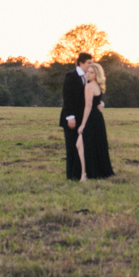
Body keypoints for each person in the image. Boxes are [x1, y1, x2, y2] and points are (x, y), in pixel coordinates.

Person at [76, 59, 113, 181]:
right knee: (89, 145)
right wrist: (102, 103)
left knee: (81, 145)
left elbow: (88, 106)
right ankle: (90, 173)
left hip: (91, 119)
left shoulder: (89, 86)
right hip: (98, 118)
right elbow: (99, 102)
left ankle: (84, 175)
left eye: (91, 72)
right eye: (88, 72)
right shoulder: (98, 85)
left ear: (97, 74)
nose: (88, 74)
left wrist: (82, 125)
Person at [60, 52, 92, 181]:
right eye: (89, 63)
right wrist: (70, 117)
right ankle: (71, 176)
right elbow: (67, 98)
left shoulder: (88, 77)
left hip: (83, 118)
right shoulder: (71, 77)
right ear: (81, 63)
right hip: (71, 119)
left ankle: (81, 173)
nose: (91, 65)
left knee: (82, 147)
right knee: (72, 147)